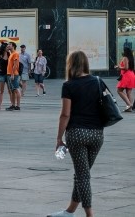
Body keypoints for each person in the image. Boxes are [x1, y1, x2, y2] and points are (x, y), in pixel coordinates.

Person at [50, 51, 105, 217]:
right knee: (83, 173)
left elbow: (65, 114)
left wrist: (59, 138)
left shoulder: (69, 85)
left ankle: (90, 214)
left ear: (70, 64)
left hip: (77, 134)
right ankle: (69, 211)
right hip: (97, 134)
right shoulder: (98, 82)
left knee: (83, 176)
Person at [6, 41, 21, 110]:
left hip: (13, 74)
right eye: (8, 44)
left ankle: (18, 106)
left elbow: (15, 65)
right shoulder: (11, 53)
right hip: (9, 74)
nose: (8, 45)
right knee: (12, 90)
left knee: (16, 89)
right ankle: (13, 105)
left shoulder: (15, 54)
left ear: (13, 46)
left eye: (10, 45)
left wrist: (12, 74)